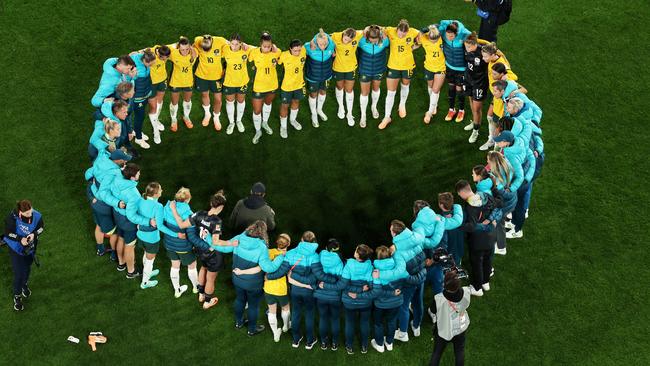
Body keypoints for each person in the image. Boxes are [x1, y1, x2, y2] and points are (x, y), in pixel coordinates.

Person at [215, 220, 285, 336]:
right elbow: (269, 268)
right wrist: (280, 257)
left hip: (237, 279)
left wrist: (208, 239)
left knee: (240, 299)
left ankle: (238, 322)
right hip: (254, 284)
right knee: (253, 305)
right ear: (263, 233)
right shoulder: (262, 247)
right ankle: (251, 329)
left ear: (250, 228)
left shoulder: (239, 238)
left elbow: (224, 248)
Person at [177, 191, 237, 309]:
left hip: (200, 250)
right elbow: (216, 242)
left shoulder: (199, 214)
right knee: (210, 278)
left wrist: (174, 211)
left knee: (203, 268)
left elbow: (182, 225)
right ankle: (207, 301)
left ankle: (201, 294)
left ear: (211, 203)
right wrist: (231, 243)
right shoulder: (216, 221)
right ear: (221, 207)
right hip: (212, 254)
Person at [265, 231, 320, 349]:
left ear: (301, 239)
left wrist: (269, 277)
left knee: (296, 314)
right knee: (309, 315)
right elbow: (314, 278)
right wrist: (305, 282)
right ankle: (310, 341)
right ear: (313, 241)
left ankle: (296, 340)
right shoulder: (315, 256)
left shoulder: (290, 253)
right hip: (308, 292)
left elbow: (281, 272)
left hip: (295, 291)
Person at [320, 244, 374, 354]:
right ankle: (364, 346)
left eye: (356, 250)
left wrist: (325, 286)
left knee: (350, 323)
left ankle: (349, 346)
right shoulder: (370, 266)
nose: (354, 250)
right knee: (364, 323)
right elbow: (371, 286)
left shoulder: (349, 265)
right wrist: (361, 289)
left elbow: (341, 285)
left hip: (349, 301)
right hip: (365, 302)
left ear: (358, 256)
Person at [455, 179, 502, 296]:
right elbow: (499, 204)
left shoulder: (470, 207)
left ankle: (477, 288)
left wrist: (458, 224)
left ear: (461, 193)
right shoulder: (486, 196)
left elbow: (471, 226)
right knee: (488, 260)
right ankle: (486, 283)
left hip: (477, 241)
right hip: (491, 236)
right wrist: (491, 220)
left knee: (477, 263)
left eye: (459, 194)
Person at [135, 182, 185, 289]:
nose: (162, 191)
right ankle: (145, 282)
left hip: (140, 235)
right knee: (150, 260)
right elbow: (161, 227)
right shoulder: (158, 207)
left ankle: (147, 272)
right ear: (156, 193)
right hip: (151, 239)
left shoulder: (140, 200)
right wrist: (176, 234)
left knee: (146, 254)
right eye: (160, 189)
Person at [84, 149, 131, 258]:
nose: (125, 162)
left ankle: (100, 249)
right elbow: (104, 194)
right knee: (114, 232)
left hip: (93, 197)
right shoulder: (114, 173)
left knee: (99, 225)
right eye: (124, 160)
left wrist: (93, 195)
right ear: (118, 160)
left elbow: (88, 174)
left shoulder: (100, 160)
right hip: (104, 204)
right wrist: (118, 203)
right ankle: (114, 254)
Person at [106, 163, 149, 279]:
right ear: (132, 177)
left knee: (121, 238)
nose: (139, 174)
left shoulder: (117, 179)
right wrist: (147, 221)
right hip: (127, 222)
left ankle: (121, 264)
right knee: (129, 246)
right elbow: (132, 216)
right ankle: (131, 271)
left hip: (117, 215)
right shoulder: (133, 194)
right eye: (138, 173)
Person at [379, 19, 420, 129]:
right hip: (393, 66)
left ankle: (402, 105)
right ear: (397, 29)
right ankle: (387, 117)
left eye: (404, 34)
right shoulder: (390, 30)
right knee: (391, 92)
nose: (402, 36)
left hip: (408, 66)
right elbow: (379, 28)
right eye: (400, 33)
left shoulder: (413, 31)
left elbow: (422, 35)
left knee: (405, 85)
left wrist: (416, 45)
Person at [3, 200, 44, 311]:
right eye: (26, 214)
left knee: (27, 268)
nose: (30, 215)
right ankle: (17, 296)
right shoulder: (12, 218)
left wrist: (33, 234)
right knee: (19, 274)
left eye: (30, 211)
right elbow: (7, 233)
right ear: (20, 212)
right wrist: (20, 239)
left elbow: (41, 228)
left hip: (30, 248)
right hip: (16, 248)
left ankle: (24, 285)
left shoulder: (36, 215)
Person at [367, 245, 409, 353]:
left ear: (378, 257)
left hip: (380, 304)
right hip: (396, 302)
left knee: (378, 323)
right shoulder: (398, 268)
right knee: (392, 322)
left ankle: (380, 344)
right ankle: (389, 343)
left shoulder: (375, 271)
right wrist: (394, 292)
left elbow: (375, 289)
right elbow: (405, 281)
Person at [390, 220, 426, 342]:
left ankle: (403, 333)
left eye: (391, 230)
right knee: (418, 302)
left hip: (409, 282)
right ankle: (416, 326)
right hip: (421, 277)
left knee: (403, 307)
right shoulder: (416, 240)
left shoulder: (397, 252)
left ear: (395, 233)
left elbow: (400, 272)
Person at [479, 42, 518, 150]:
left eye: (485, 56)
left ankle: (497, 148)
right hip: (495, 95)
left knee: (499, 125)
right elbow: (490, 45)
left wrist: (506, 76)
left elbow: (514, 76)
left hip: (501, 98)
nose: (483, 58)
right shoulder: (493, 59)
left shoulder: (501, 63)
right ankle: (491, 140)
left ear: (492, 55)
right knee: (489, 116)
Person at [161, 187, 197, 298]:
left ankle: (177, 290)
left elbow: (161, 223)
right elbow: (191, 235)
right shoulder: (189, 214)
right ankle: (196, 287)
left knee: (175, 266)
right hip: (184, 247)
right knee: (192, 265)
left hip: (169, 244)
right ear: (188, 199)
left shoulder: (167, 207)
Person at [429, 271, 471, 366]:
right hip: (461, 327)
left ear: (445, 285)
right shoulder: (466, 291)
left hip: (444, 330)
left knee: (437, 353)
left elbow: (433, 310)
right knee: (459, 351)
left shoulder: (439, 299)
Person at [311, 238, 344, 350]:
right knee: (335, 319)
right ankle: (334, 343)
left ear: (327, 247)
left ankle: (324, 342)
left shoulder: (320, 256)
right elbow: (340, 281)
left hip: (321, 295)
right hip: (335, 296)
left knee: (323, 318)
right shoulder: (341, 261)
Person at [249, 32, 281, 144]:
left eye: (269, 46)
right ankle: (258, 131)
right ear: (260, 45)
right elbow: (246, 50)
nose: (267, 48)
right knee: (257, 110)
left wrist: (275, 49)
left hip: (272, 85)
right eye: (265, 46)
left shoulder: (277, 52)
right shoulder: (254, 53)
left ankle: (265, 123)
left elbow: (282, 56)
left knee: (268, 103)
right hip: (258, 86)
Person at [438, 20, 472, 122]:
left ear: (456, 33)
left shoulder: (464, 34)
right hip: (449, 66)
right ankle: (451, 109)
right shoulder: (444, 31)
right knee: (451, 87)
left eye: (451, 36)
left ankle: (461, 110)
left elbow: (473, 39)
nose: (449, 38)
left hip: (461, 69)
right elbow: (441, 23)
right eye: (447, 36)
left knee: (459, 89)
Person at [193, 34, 228, 131]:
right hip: (202, 75)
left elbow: (232, 44)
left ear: (211, 43)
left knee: (218, 99)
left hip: (216, 76)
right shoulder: (198, 40)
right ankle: (207, 114)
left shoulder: (220, 40)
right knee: (204, 95)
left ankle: (216, 117)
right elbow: (193, 46)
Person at [357, 25, 390, 128]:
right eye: (371, 40)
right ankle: (363, 115)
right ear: (367, 36)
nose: (373, 42)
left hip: (378, 70)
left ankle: (373, 107)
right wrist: (365, 29)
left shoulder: (384, 41)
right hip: (365, 71)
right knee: (364, 93)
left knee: (376, 89)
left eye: (375, 41)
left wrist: (380, 29)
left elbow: (387, 34)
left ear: (379, 37)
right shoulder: (361, 41)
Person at [486, 151, 517, 255]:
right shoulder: (507, 165)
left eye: (488, 161)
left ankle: (501, 247)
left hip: (505, 205)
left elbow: (499, 194)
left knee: (499, 225)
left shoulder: (496, 179)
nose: (487, 162)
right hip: (512, 201)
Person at [331, 28, 363, 126]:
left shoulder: (357, 35)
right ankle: (341, 107)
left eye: (349, 41)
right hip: (338, 68)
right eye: (345, 39)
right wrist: (331, 50)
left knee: (349, 90)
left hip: (351, 68)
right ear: (343, 34)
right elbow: (323, 37)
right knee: (340, 87)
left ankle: (349, 113)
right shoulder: (335, 36)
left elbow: (366, 29)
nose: (346, 42)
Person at [462, 33, 489, 145]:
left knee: (477, 108)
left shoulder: (482, 52)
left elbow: (494, 52)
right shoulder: (467, 48)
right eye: (466, 46)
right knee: (471, 102)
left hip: (480, 83)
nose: (467, 49)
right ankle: (474, 122)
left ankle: (476, 131)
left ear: (475, 44)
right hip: (469, 79)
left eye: (469, 47)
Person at [305, 29, 335, 128]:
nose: (323, 46)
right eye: (320, 44)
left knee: (323, 92)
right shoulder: (308, 47)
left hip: (326, 75)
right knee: (313, 94)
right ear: (316, 42)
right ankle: (314, 114)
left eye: (324, 44)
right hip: (313, 77)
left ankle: (319, 110)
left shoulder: (331, 45)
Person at [223, 34, 252, 135]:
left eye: (237, 44)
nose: (234, 47)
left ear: (241, 43)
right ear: (229, 43)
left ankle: (239, 121)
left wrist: (245, 45)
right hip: (229, 82)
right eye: (232, 44)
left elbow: (259, 49)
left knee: (240, 101)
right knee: (230, 102)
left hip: (242, 81)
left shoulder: (246, 49)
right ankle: (231, 123)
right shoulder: (225, 49)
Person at [277, 39, 306, 138]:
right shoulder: (284, 55)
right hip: (286, 86)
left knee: (296, 102)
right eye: (295, 51)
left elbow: (313, 42)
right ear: (290, 49)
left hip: (299, 85)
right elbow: (276, 59)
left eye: (299, 50)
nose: (297, 52)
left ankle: (293, 120)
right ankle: (283, 127)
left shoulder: (304, 51)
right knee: (285, 105)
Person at [168, 36, 198, 132]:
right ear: (178, 48)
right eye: (182, 49)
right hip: (175, 82)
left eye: (186, 49)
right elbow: (161, 51)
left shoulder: (194, 53)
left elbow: (193, 53)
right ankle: (174, 119)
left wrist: (191, 47)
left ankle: (186, 117)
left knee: (187, 101)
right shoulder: (173, 53)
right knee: (174, 102)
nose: (184, 52)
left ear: (189, 47)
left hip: (188, 82)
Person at [419, 25, 446, 124]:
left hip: (440, 68)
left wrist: (435, 26)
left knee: (435, 90)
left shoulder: (442, 38)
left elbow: (443, 25)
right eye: (432, 39)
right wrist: (425, 29)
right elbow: (419, 34)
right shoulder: (424, 38)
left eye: (436, 39)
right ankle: (434, 104)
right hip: (428, 67)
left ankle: (429, 112)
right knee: (430, 87)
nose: (434, 41)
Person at [129, 49, 156, 149]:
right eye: (150, 64)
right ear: (145, 61)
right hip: (137, 96)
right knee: (139, 116)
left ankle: (137, 131)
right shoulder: (132, 64)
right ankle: (138, 138)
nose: (151, 66)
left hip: (145, 92)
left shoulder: (143, 55)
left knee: (141, 115)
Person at [145, 44, 172, 138]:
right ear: (159, 55)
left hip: (163, 79)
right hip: (151, 82)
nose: (165, 60)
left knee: (159, 101)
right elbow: (140, 53)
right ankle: (156, 132)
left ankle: (156, 120)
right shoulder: (150, 53)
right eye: (163, 58)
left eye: (166, 58)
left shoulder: (162, 48)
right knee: (153, 106)